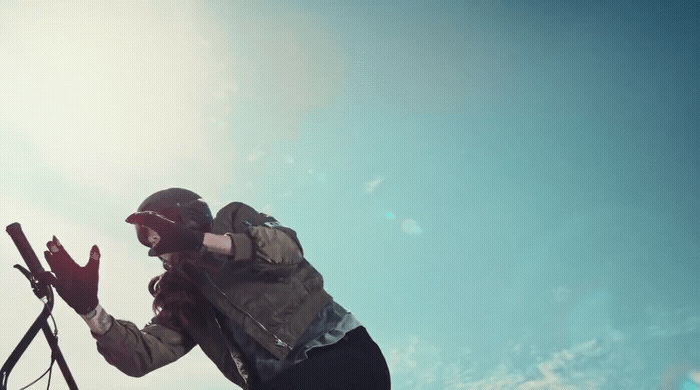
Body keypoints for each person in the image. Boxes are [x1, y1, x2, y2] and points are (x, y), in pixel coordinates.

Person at [39, 188, 391, 390]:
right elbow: (145, 354)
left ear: (185, 216)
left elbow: (286, 250)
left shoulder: (234, 221)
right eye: (147, 241)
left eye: (156, 231)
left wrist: (200, 240)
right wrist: (91, 311)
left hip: (337, 356)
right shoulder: (183, 294)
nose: (154, 246)